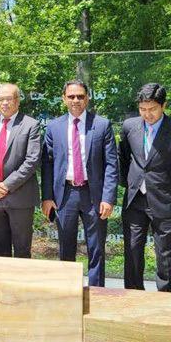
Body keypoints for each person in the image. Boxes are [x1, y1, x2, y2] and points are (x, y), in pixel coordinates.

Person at [119, 83, 171, 292]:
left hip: (166, 201)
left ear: (163, 105)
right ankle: (134, 294)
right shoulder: (129, 127)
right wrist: (128, 183)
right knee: (132, 249)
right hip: (135, 199)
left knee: (165, 254)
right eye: (143, 109)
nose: (147, 114)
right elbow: (124, 158)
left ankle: (163, 297)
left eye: (152, 109)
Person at [41, 80, 118, 287]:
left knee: (97, 248)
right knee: (66, 247)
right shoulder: (53, 127)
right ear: (64, 98)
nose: (76, 100)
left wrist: (108, 198)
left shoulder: (102, 125)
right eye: (71, 96)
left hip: (94, 195)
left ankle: (97, 293)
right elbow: (47, 165)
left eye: (80, 96)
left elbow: (112, 164)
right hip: (64, 195)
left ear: (88, 98)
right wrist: (47, 197)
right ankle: (68, 292)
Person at [0, 83, 40, 258]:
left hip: (20, 198)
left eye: (9, 99)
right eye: (1, 99)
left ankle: (22, 286)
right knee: (0, 251)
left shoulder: (31, 125)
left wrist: (5, 186)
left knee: (22, 251)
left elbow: (31, 161)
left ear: (17, 101)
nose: (4, 103)